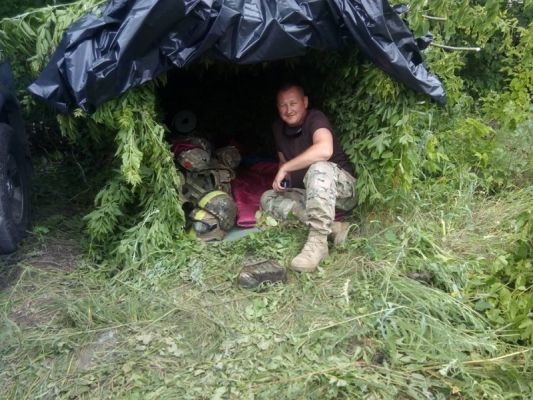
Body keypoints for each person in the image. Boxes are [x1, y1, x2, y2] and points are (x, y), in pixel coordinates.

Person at [260, 83, 357, 273]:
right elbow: (283, 161)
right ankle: (334, 228)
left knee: (318, 167)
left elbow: (324, 150)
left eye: (293, 103)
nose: (288, 110)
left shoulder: (315, 118)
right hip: (312, 195)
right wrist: (284, 178)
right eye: (283, 105)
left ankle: (318, 243)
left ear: (304, 102)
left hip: (341, 192)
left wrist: (287, 167)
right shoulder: (278, 128)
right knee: (268, 197)